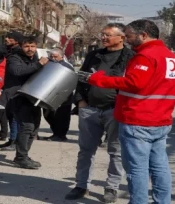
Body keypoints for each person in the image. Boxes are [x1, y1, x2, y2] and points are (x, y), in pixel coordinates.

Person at [78, 19, 175, 204]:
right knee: (160, 167)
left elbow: (133, 83)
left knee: (137, 169)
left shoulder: (145, 56)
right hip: (160, 120)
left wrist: (100, 80)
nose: (127, 40)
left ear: (143, 35)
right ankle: (162, 201)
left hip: (139, 120)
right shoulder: (169, 56)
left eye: (129, 36)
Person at [65, 23, 134, 203]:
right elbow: (81, 78)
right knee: (86, 150)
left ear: (121, 37)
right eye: (102, 34)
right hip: (90, 109)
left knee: (116, 152)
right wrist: (81, 101)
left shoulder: (131, 57)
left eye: (108, 35)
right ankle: (81, 185)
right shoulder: (93, 55)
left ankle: (112, 187)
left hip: (116, 111)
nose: (103, 38)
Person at [8, 36, 49, 169]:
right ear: (21, 46)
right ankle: (21, 157)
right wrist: (39, 64)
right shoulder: (14, 58)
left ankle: (23, 155)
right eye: (27, 46)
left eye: (32, 46)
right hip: (18, 96)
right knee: (27, 127)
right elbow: (17, 71)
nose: (30, 49)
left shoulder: (35, 58)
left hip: (33, 96)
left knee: (34, 128)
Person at [0, 31, 24, 151]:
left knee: (15, 116)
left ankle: (15, 141)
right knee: (10, 115)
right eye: (6, 37)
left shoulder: (19, 53)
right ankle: (12, 139)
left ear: (16, 41)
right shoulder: (8, 51)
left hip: (16, 87)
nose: (6, 39)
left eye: (9, 38)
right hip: (8, 86)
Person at [39, 47, 74, 142]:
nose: (53, 58)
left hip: (63, 97)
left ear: (61, 56)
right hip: (49, 96)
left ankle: (61, 135)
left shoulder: (66, 66)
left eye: (55, 56)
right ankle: (56, 133)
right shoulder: (48, 65)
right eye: (51, 56)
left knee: (62, 117)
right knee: (48, 115)